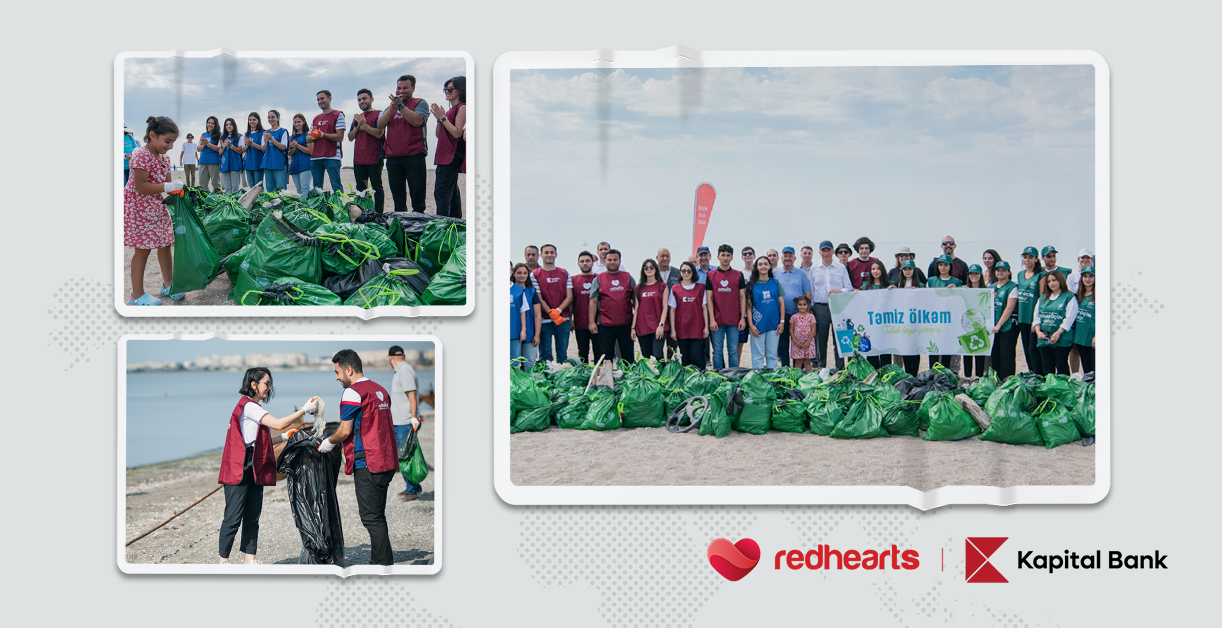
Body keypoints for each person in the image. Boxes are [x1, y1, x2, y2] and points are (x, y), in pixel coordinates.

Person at [217, 367, 316, 564]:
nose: (269, 388)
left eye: (270, 384)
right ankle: (223, 562)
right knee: (233, 517)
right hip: (240, 467)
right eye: (266, 383)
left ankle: (249, 561)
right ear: (253, 385)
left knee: (253, 515)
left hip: (253, 466)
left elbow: (260, 441)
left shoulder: (253, 407)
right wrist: (304, 411)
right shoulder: (250, 406)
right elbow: (277, 423)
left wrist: (284, 437)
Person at [317, 350, 399, 566]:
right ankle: (384, 560)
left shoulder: (353, 393)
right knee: (378, 515)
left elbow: (345, 431)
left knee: (371, 517)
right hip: (387, 460)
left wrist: (328, 443)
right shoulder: (380, 390)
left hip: (368, 462)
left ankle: (381, 566)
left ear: (349, 369)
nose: (336, 377)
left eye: (337, 372)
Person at [124, 116, 183, 306]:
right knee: (142, 250)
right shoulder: (141, 155)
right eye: (167, 141)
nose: (171, 146)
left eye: (173, 142)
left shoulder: (165, 158)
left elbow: (165, 185)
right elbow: (140, 187)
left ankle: (169, 284)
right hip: (139, 208)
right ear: (152, 135)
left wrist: (176, 189)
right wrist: (167, 186)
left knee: (165, 244)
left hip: (157, 207)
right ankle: (137, 295)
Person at [377, 75, 430, 213]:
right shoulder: (390, 107)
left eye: (405, 88)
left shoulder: (420, 103)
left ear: (413, 88)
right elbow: (380, 125)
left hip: (414, 155)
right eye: (399, 88)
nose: (401, 91)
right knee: (398, 196)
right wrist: (391, 108)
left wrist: (400, 106)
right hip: (393, 157)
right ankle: (401, 223)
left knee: (417, 195)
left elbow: (417, 121)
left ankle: (418, 221)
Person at [807, 240, 853, 369]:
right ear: (820, 252)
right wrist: (811, 307)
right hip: (820, 307)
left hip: (838, 306)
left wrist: (839, 291)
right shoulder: (814, 268)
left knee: (838, 338)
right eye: (823, 251)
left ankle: (840, 368)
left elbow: (848, 288)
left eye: (828, 250)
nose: (826, 253)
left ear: (833, 252)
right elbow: (811, 289)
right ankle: (822, 367)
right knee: (821, 339)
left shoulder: (841, 268)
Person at [589, 249, 636, 365]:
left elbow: (636, 301)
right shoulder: (598, 279)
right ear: (605, 261)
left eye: (615, 260)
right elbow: (593, 302)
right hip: (605, 324)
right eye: (609, 260)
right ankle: (607, 380)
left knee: (628, 356)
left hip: (625, 323)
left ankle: (628, 379)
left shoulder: (628, 277)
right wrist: (591, 322)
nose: (612, 262)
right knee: (606, 356)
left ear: (620, 261)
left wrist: (636, 323)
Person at [387, 346, 422, 502]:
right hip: (400, 421)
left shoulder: (404, 371)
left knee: (405, 456)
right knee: (405, 455)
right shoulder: (400, 371)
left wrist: (413, 418)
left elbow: (412, 394)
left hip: (406, 422)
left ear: (390, 358)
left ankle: (412, 490)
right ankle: (413, 486)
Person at [430, 76, 467, 218]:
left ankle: (442, 224)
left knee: (441, 193)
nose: (447, 91)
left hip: (451, 155)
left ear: (461, 90)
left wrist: (443, 117)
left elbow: (457, 132)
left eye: (451, 89)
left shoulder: (462, 107)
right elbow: (439, 135)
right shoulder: (451, 110)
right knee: (451, 192)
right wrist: (440, 119)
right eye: (445, 89)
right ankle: (455, 221)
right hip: (444, 155)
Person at [706, 244, 747, 370]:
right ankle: (718, 376)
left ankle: (733, 376)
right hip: (717, 320)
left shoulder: (738, 275)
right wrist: (711, 319)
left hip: (733, 320)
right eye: (723, 255)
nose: (725, 258)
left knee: (733, 351)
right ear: (718, 257)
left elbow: (742, 297)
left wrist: (742, 317)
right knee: (717, 351)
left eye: (728, 255)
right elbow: (709, 299)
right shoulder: (711, 275)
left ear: (732, 257)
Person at [531, 244, 573, 363]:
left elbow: (569, 296)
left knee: (562, 354)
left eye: (551, 252)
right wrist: (551, 313)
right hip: (544, 320)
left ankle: (561, 377)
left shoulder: (565, 273)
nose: (549, 255)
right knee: (545, 355)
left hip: (563, 319)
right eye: (546, 252)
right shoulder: (534, 274)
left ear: (556, 255)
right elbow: (538, 298)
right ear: (541, 255)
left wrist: (558, 311)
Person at [1034, 271, 1078, 376]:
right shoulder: (1043, 297)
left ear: (1060, 281)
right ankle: (1049, 389)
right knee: (1047, 367)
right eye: (1049, 281)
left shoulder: (1069, 297)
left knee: (1061, 365)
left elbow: (1070, 318)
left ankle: (1063, 390)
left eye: (1054, 280)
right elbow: (1036, 316)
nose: (1051, 283)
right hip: (1044, 338)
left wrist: (1059, 332)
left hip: (1061, 339)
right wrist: (1038, 332)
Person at [348, 89, 386, 212]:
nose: (362, 101)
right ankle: (363, 213)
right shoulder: (357, 118)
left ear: (371, 99)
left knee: (377, 188)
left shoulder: (379, 114)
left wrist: (364, 125)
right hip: (359, 159)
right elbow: (350, 137)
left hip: (375, 157)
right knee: (361, 189)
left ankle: (379, 214)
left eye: (364, 98)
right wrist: (358, 125)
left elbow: (379, 134)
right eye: (359, 99)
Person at [775, 246, 812, 367]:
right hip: (781, 315)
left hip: (798, 315)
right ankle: (785, 368)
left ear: (795, 258)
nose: (787, 258)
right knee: (783, 345)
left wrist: (808, 314)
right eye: (785, 256)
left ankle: (799, 370)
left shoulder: (801, 273)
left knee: (799, 343)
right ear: (781, 258)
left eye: (790, 256)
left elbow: (808, 294)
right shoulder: (775, 273)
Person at [668, 261, 710, 368]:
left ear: (693, 272)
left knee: (697, 356)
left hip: (697, 328)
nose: (686, 273)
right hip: (682, 328)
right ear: (680, 272)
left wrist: (706, 327)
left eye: (689, 270)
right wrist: (673, 330)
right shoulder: (675, 289)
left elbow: (704, 308)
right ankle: (687, 381)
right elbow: (672, 310)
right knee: (685, 357)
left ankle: (700, 378)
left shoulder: (700, 288)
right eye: (683, 270)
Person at [747, 256, 785, 369]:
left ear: (769, 266)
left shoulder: (775, 283)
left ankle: (771, 378)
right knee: (757, 355)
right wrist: (751, 325)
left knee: (772, 355)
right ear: (756, 267)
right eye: (760, 264)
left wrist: (782, 322)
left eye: (765, 264)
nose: (763, 266)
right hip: (758, 324)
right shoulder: (751, 285)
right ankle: (757, 379)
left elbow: (781, 304)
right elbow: (748, 307)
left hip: (774, 324)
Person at [1014, 246, 1046, 375]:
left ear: (1036, 259)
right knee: (1026, 348)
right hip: (1022, 316)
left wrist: (1037, 320)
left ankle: (1038, 374)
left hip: (1034, 317)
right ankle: (1031, 372)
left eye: (1030, 257)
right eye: (1025, 257)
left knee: (1034, 348)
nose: (1027, 260)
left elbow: (1042, 296)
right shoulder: (1020, 274)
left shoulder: (1041, 274)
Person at [927, 254, 962, 369]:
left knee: (947, 346)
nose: (943, 267)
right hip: (934, 319)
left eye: (946, 265)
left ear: (950, 266)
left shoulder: (956, 282)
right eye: (940, 265)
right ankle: (933, 371)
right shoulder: (931, 281)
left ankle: (945, 372)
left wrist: (958, 289)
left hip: (949, 320)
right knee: (933, 347)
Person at [632, 258, 669, 360]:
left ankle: (661, 375)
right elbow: (636, 308)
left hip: (658, 326)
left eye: (651, 267)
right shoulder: (638, 288)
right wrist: (633, 328)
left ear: (656, 269)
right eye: (646, 268)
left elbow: (665, 306)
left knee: (658, 356)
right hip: (643, 327)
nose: (649, 269)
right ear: (643, 270)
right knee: (646, 357)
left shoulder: (662, 286)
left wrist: (661, 324)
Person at [989, 261, 1020, 380]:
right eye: (998, 270)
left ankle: (1007, 380)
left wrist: (999, 325)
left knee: (1006, 355)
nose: (1000, 272)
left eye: (1003, 270)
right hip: (994, 327)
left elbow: (1009, 308)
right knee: (995, 355)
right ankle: (996, 380)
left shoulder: (1012, 287)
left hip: (1007, 326)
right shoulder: (992, 287)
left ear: (1008, 272)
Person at [892, 260, 924, 375]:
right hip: (903, 322)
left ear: (913, 270)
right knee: (905, 348)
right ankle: (907, 374)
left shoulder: (920, 285)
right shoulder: (899, 285)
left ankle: (914, 374)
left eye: (909, 269)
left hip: (916, 322)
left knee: (915, 348)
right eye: (905, 269)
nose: (907, 271)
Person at [310, 90, 346, 192]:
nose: (320, 101)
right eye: (318, 100)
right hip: (316, 157)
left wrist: (322, 134)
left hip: (332, 155)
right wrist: (314, 136)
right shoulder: (316, 118)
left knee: (336, 186)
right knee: (317, 188)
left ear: (329, 98)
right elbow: (308, 138)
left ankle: (339, 206)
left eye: (322, 98)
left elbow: (340, 137)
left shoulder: (338, 115)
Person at [858, 259, 891, 368]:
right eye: (873, 269)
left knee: (885, 352)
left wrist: (894, 290)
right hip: (871, 324)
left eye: (878, 268)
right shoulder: (866, 286)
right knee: (872, 353)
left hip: (885, 325)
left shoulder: (890, 286)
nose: (875, 271)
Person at [510, 263, 541, 369]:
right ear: (513, 274)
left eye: (524, 273)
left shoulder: (532, 292)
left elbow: (537, 315)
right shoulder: (510, 290)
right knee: (513, 362)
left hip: (529, 332)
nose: (521, 275)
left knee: (529, 363)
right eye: (519, 273)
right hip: (513, 332)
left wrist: (537, 334)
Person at [961, 265, 990, 377]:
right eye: (971, 274)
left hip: (980, 325)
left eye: (976, 273)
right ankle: (967, 377)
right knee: (967, 351)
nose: (974, 276)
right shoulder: (964, 289)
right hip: (967, 324)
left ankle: (978, 376)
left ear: (980, 275)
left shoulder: (986, 290)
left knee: (980, 350)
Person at [570, 251, 598, 363]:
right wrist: (571, 320)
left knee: (599, 351)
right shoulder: (573, 280)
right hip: (580, 323)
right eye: (582, 261)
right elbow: (571, 301)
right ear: (578, 264)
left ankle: (599, 376)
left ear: (592, 263)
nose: (585, 263)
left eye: (587, 261)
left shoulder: (598, 278)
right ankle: (584, 375)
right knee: (582, 352)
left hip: (597, 323)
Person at [1072, 267, 1096, 375]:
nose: (1088, 279)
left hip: (1092, 337)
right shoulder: (1077, 296)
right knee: (1086, 369)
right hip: (1081, 337)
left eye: (1091, 276)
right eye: (1085, 276)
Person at [260, 110, 289, 192]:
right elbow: (263, 149)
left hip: (279, 163)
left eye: (273, 117)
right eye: (269, 117)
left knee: (280, 188)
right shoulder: (266, 132)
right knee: (270, 188)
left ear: (278, 118)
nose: (270, 119)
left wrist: (272, 139)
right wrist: (266, 140)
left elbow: (283, 147)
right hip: (268, 163)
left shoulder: (283, 131)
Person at [789, 295, 817, 372]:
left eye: (804, 305)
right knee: (798, 362)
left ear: (808, 305)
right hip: (797, 343)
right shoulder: (794, 317)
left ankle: (809, 378)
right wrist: (796, 342)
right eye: (800, 304)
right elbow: (791, 330)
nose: (802, 307)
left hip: (809, 343)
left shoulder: (811, 317)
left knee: (807, 361)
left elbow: (813, 329)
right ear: (797, 305)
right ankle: (797, 379)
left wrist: (808, 342)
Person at [738, 246, 757, 360]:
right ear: (742, 257)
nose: (748, 255)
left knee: (758, 342)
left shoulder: (759, 273)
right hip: (743, 312)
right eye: (745, 254)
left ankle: (759, 367)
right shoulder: (739, 274)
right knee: (740, 342)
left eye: (750, 253)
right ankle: (737, 366)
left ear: (754, 256)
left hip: (757, 310)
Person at [218, 117, 246, 193]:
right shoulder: (222, 137)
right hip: (225, 165)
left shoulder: (239, 137)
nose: (228, 126)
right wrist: (223, 147)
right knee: (227, 188)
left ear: (234, 126)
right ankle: (228, 204)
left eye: (230, 124)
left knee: (235, 188)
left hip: (235, 165)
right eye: (227, 125)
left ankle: (235, 203)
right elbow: (220, 152)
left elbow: (240, 151)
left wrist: (231, 145)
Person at [287, 114, 313, 193]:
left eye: (299, 122)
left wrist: (297, 146)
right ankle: (301, 205)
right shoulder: (291, 137)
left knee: (305, 188)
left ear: (304, 122)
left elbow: (310, 151)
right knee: (298, 189)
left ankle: (307, 205)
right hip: (295, 165)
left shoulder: (308, 135)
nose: (297, 124)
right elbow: (289, 153)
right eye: (295, 122)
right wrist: (294, 149)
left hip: (305, 165)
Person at [197, 116, 224, 192]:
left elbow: (218, 148)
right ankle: (208, 198)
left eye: (213, 123)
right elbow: (198, 149)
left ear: (216, 125)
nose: (210, 125)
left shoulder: (220, 135)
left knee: (216, 183)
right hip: (203, 161)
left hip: (214, 162)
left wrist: (208, 144)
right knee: (202, 184)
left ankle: (218, 199)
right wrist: (203, 144)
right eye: (209, 123)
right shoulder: (203, 134)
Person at [242, 112, 267, 189]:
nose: (252, 122)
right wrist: (247, 144)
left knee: (258, 186)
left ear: (258, 121)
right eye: (250, 120)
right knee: (251, 187)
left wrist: (252, 144)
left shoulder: (262, 133)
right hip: (248, 162)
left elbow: (263, 148)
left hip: (258, 161)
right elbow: (243, 150)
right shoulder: (246, 133)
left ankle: (260, 200)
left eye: (254, 120)